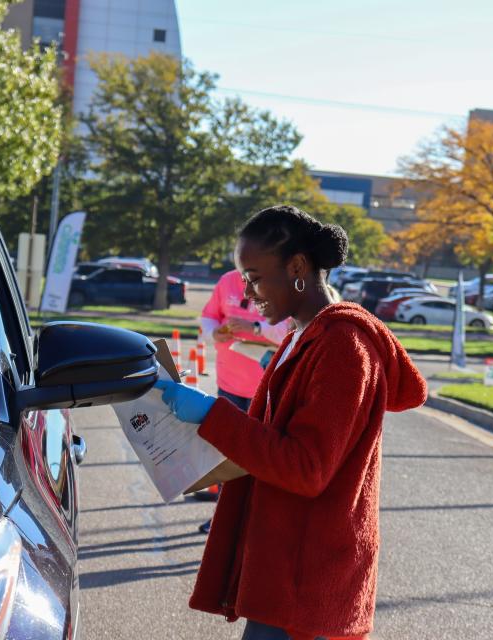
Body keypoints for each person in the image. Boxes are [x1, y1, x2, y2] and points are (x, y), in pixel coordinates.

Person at [155, 205, 428, 640]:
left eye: (255, 276)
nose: (247, 293)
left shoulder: (342, 345)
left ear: (298, 267)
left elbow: (306, 467)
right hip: (288, 571)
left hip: (308, 584)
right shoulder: (303, 335)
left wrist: (213, 415)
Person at [193, 269, 291, 532]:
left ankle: (258, 523)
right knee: (226, 456)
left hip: (268, 389)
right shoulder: (228, 280)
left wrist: (256, 327)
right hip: (229, 384)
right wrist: (215, 333)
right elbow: (208, 316)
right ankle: (224, 517)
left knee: (262, 460)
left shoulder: (281, 280)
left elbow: (293, 330)